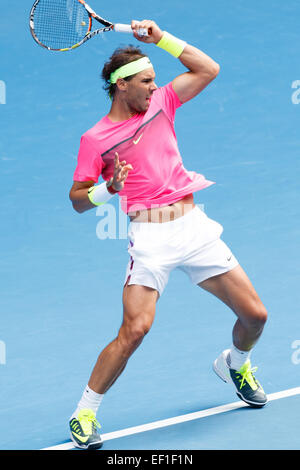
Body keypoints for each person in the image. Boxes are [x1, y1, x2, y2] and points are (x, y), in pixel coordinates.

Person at [68, 20, 268, 450]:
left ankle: (236, 363)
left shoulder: (162, 103)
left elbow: (208, 69)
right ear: (122, 87)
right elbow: (78, 200)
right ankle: (85, 411)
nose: (154, 86)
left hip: (194, 229)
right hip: (152, 239)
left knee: (256, 317)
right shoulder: (95, 139)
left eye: (155, 80)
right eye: (146, 81)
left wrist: (160, 39)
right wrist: (109, 189)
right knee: (135, 330)